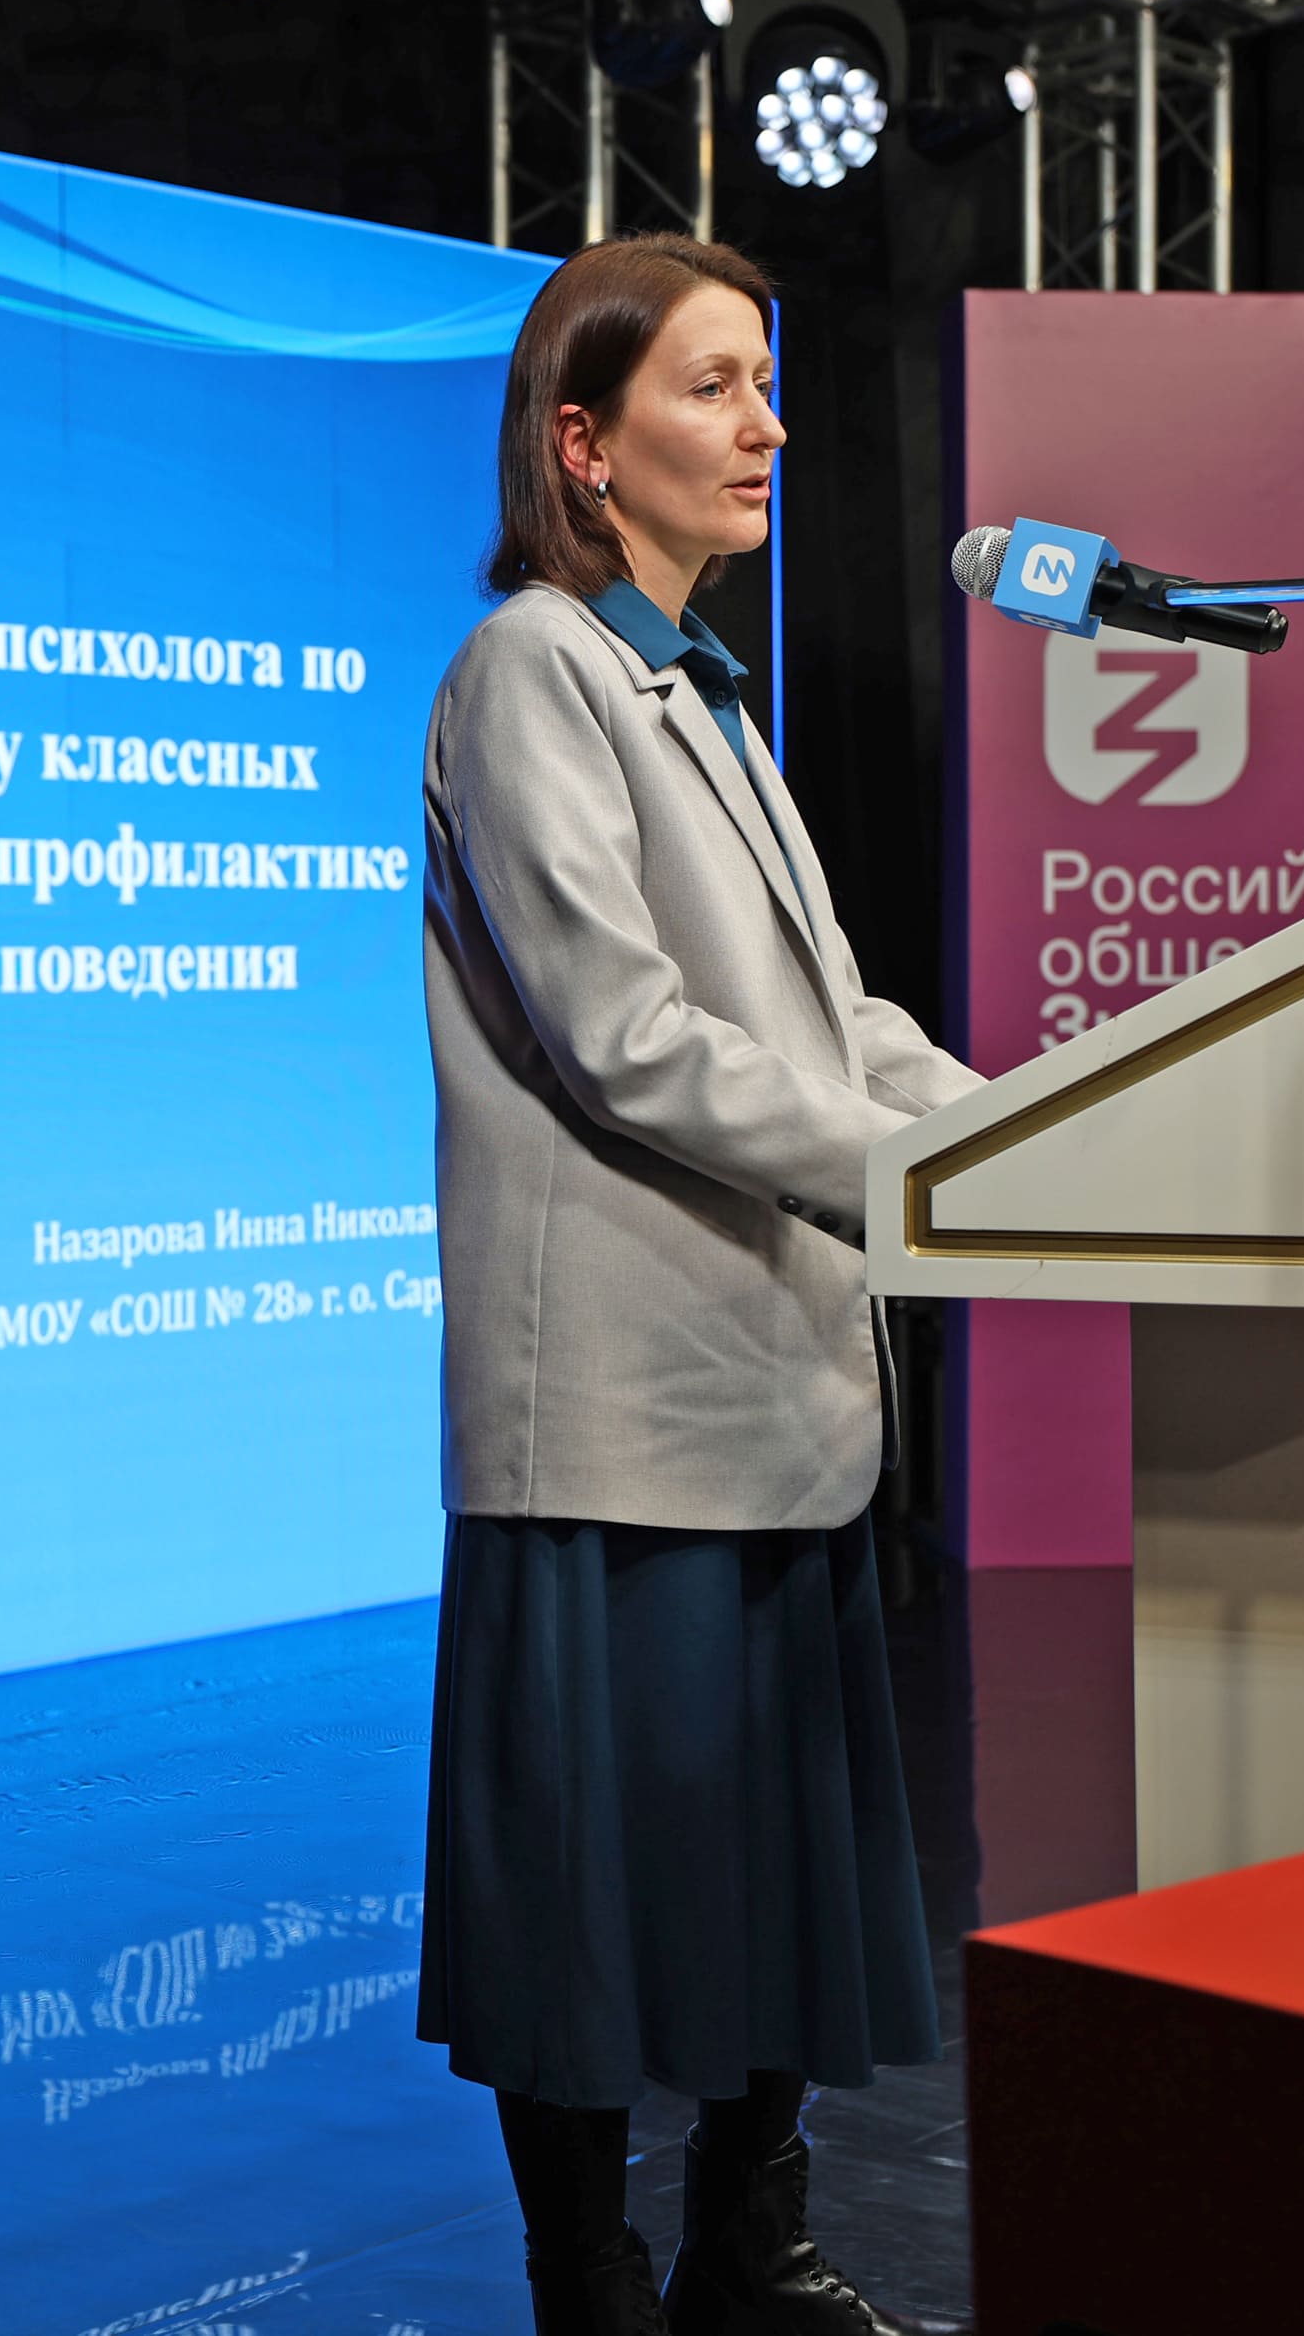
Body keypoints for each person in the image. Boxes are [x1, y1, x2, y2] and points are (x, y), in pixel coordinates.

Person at [413, 233, 981, 2336]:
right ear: (583, 442)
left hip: (773, 1382)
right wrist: (917, 1175)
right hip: (620, 1407)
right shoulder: (531, 669)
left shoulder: (706, 698)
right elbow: (623, 1035)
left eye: (765, 382)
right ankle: (593, 2282)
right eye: (713, 386)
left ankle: (753, 2242)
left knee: (774, 1864)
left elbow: (831, 1023)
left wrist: (1027, 1131)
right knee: (585, 1895)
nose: (767, 427)